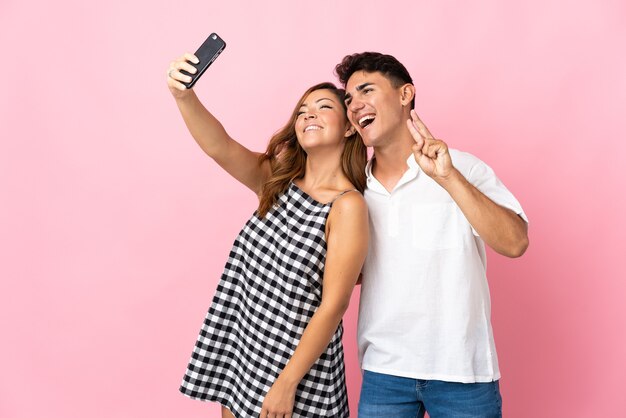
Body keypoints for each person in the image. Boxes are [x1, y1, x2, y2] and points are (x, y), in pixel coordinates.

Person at [166, 52, 369, 418]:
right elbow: (220, 147)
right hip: (244, 357)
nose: (308, 114)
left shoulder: (347, 206)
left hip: (299, 374)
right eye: (303, 109)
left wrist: (286, 384)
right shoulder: (277, 182)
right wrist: (184, 95)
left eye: (323, 107)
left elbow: (333, 306)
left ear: (350, 127)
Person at [334, 52, 529, 417]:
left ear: (405, 94)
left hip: (463, 372)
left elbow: (515, 242)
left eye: (366, 90)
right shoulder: (354, 188)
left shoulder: (462, 167)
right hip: (384, 372)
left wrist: (448, 179)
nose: (354, 105)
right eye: (348, 100)